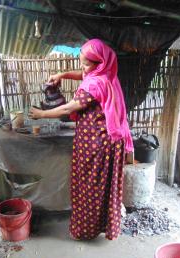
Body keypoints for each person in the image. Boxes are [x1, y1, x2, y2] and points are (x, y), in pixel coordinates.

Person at [29, 39, 133, 240]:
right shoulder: (106, 73)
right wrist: (62, 74)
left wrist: (41, 114)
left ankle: (86, 231)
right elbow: (83, 74)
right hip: (101, 141)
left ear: (99, 63)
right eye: (82, 62)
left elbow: (69, 108)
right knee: (100, 187)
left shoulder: (96, 83)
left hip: (98, 144)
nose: (82, 68)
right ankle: (101, 225)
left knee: (90, 187)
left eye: (86, 64)